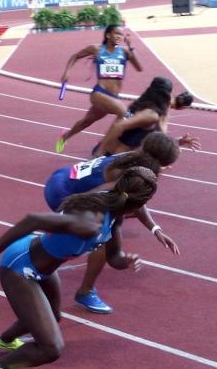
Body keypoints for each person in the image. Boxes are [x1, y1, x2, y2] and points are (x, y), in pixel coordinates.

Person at [0, 167, 158, 368]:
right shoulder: (89, 223)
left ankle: (5, 340)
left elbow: (114, 258)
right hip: (20, 266)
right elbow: (33, 219)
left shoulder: (115, 212)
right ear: (138, 203)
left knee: (54, 317)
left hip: (45, 267)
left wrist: (126, 260)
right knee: (51, 349)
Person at [44, 132, 180, 313]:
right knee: (98, 237)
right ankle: (83, 291)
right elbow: (121, 198)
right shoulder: (128, 178)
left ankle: (42, 257)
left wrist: (155, 229)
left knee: (111, 223)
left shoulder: (134, 158)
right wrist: (66, 215)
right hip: (64, 193)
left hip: (64, 175)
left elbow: (136, 199)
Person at [56, 25, 142, 153]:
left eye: (121, 35)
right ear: (108, 35)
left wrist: (131, 47)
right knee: (126, 115)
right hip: (99, 93)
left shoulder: (124, 52)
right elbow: (75, 56)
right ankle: (103, 146)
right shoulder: (96, 49)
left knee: (86, 121)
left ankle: (65, 137)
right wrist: (67, 72)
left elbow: (139, 68)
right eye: (116, 34)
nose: (120, 37)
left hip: (114, 97)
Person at [95, 77, 200, 157]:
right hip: (111, 159)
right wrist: (98, 156)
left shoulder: (143, 103)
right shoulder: (153, 115)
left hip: (108, 153)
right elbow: (161, 140)